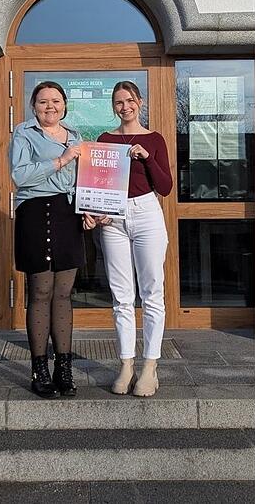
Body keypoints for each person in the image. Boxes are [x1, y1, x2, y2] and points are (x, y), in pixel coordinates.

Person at [83, 81, 172, 396]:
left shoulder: (155, 139)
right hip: (114, 219)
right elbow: (97, 182)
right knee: (121, 296)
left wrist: (147, 157)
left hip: (147, 212)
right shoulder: (105, 140)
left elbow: (165, 187)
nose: (125, 107)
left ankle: (150, 366)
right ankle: (125, 364)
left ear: (141, 102)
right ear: (113, 107)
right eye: (119, 102)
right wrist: (95, 211)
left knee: (152, 293)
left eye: (130, 101)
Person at [10, 81, 86, 399]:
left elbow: (85, 179)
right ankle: (39, 370)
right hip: (35, 211)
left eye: (56, 101)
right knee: (40, 291)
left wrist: (92, 209)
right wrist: (61, 160)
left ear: (64, 105)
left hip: (68, 214)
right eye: (43, 102)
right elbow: (19, 175)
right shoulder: (24, 133)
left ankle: (63, 370)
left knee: (64, 294)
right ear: (33, 105)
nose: (50, 107)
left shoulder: (77, 138)